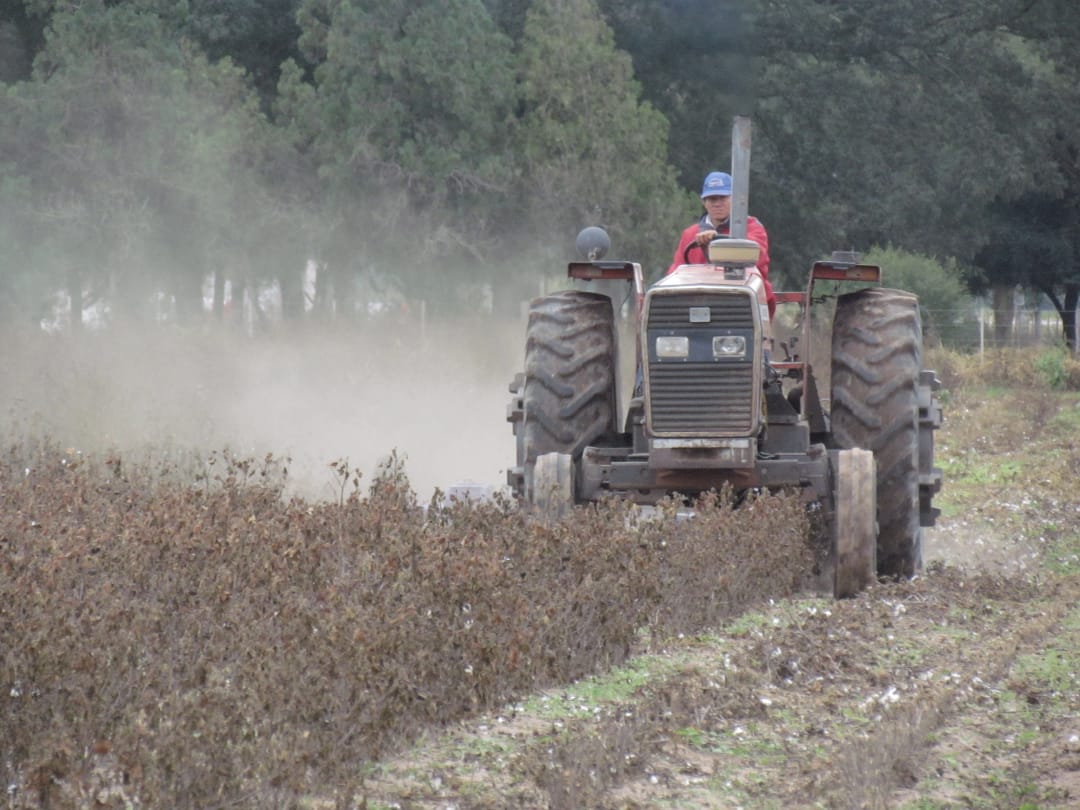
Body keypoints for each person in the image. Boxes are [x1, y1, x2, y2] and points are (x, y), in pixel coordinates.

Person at [667, 171, 775, 317]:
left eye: (723, 198)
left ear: (734, 199)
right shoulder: (690, 234)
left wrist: (717, 239)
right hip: (699, 301)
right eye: (712, 199)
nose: (717, 203)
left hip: (742, 300)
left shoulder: (752, 227)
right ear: (704, 202)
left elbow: (757, 254)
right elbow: (676, 271)